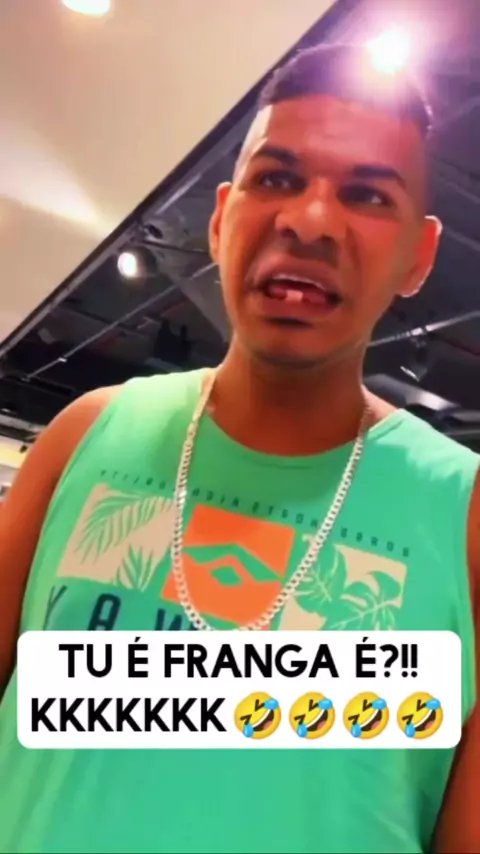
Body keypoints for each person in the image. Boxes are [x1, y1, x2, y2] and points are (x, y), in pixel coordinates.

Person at [0, 43, 479, 854]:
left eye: (367, 194)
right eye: (277, 178)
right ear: (222, 219)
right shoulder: (84, 437)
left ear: (419, 256)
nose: (310, 221)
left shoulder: (466, 517)